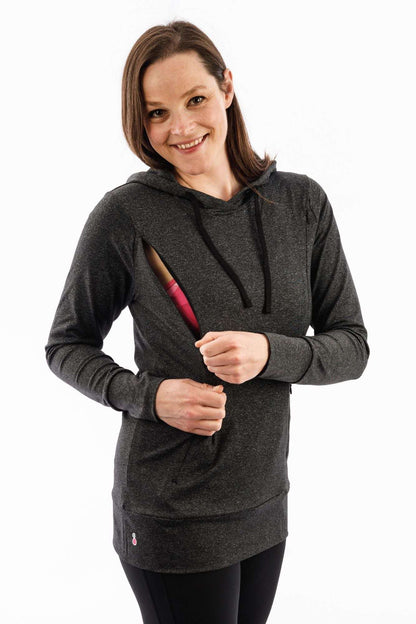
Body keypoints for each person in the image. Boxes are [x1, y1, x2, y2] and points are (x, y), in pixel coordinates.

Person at [44, 19, 370, 624]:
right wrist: (149, 396)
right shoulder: (126, 215)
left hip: (265, 502)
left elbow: (351, 346)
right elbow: (66, 345)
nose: (181, 127)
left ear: (227, 87)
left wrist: (269, 353)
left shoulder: (301, 203)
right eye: (157, 113)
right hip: (171, 511)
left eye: (195, 100)